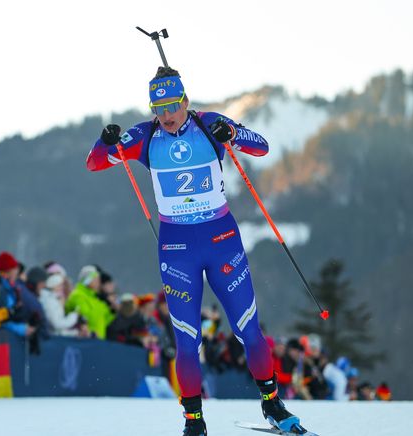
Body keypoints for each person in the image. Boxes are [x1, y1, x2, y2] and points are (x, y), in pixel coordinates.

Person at [87, 66, 303, 435]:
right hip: (177, 248)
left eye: (173, 105)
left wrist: (232, 133)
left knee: (249, 329)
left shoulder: (209, 124)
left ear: (185, 101)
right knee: (186, 342)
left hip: (222, 242)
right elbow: (94, 163)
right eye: (159, 107)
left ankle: (273, 405)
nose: (167, 115)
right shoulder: (143, 135)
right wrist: (105, 142)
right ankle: (194, 420)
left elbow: (261, 146)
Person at [64, 265, 115, 339]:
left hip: (98, 340)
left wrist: (112, 311)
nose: (98, 282)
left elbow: (103, 320)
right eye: (95, 279)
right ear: (88, 280)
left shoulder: (94, 298)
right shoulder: (78, 295)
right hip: (85, 340)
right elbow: (85, 315)